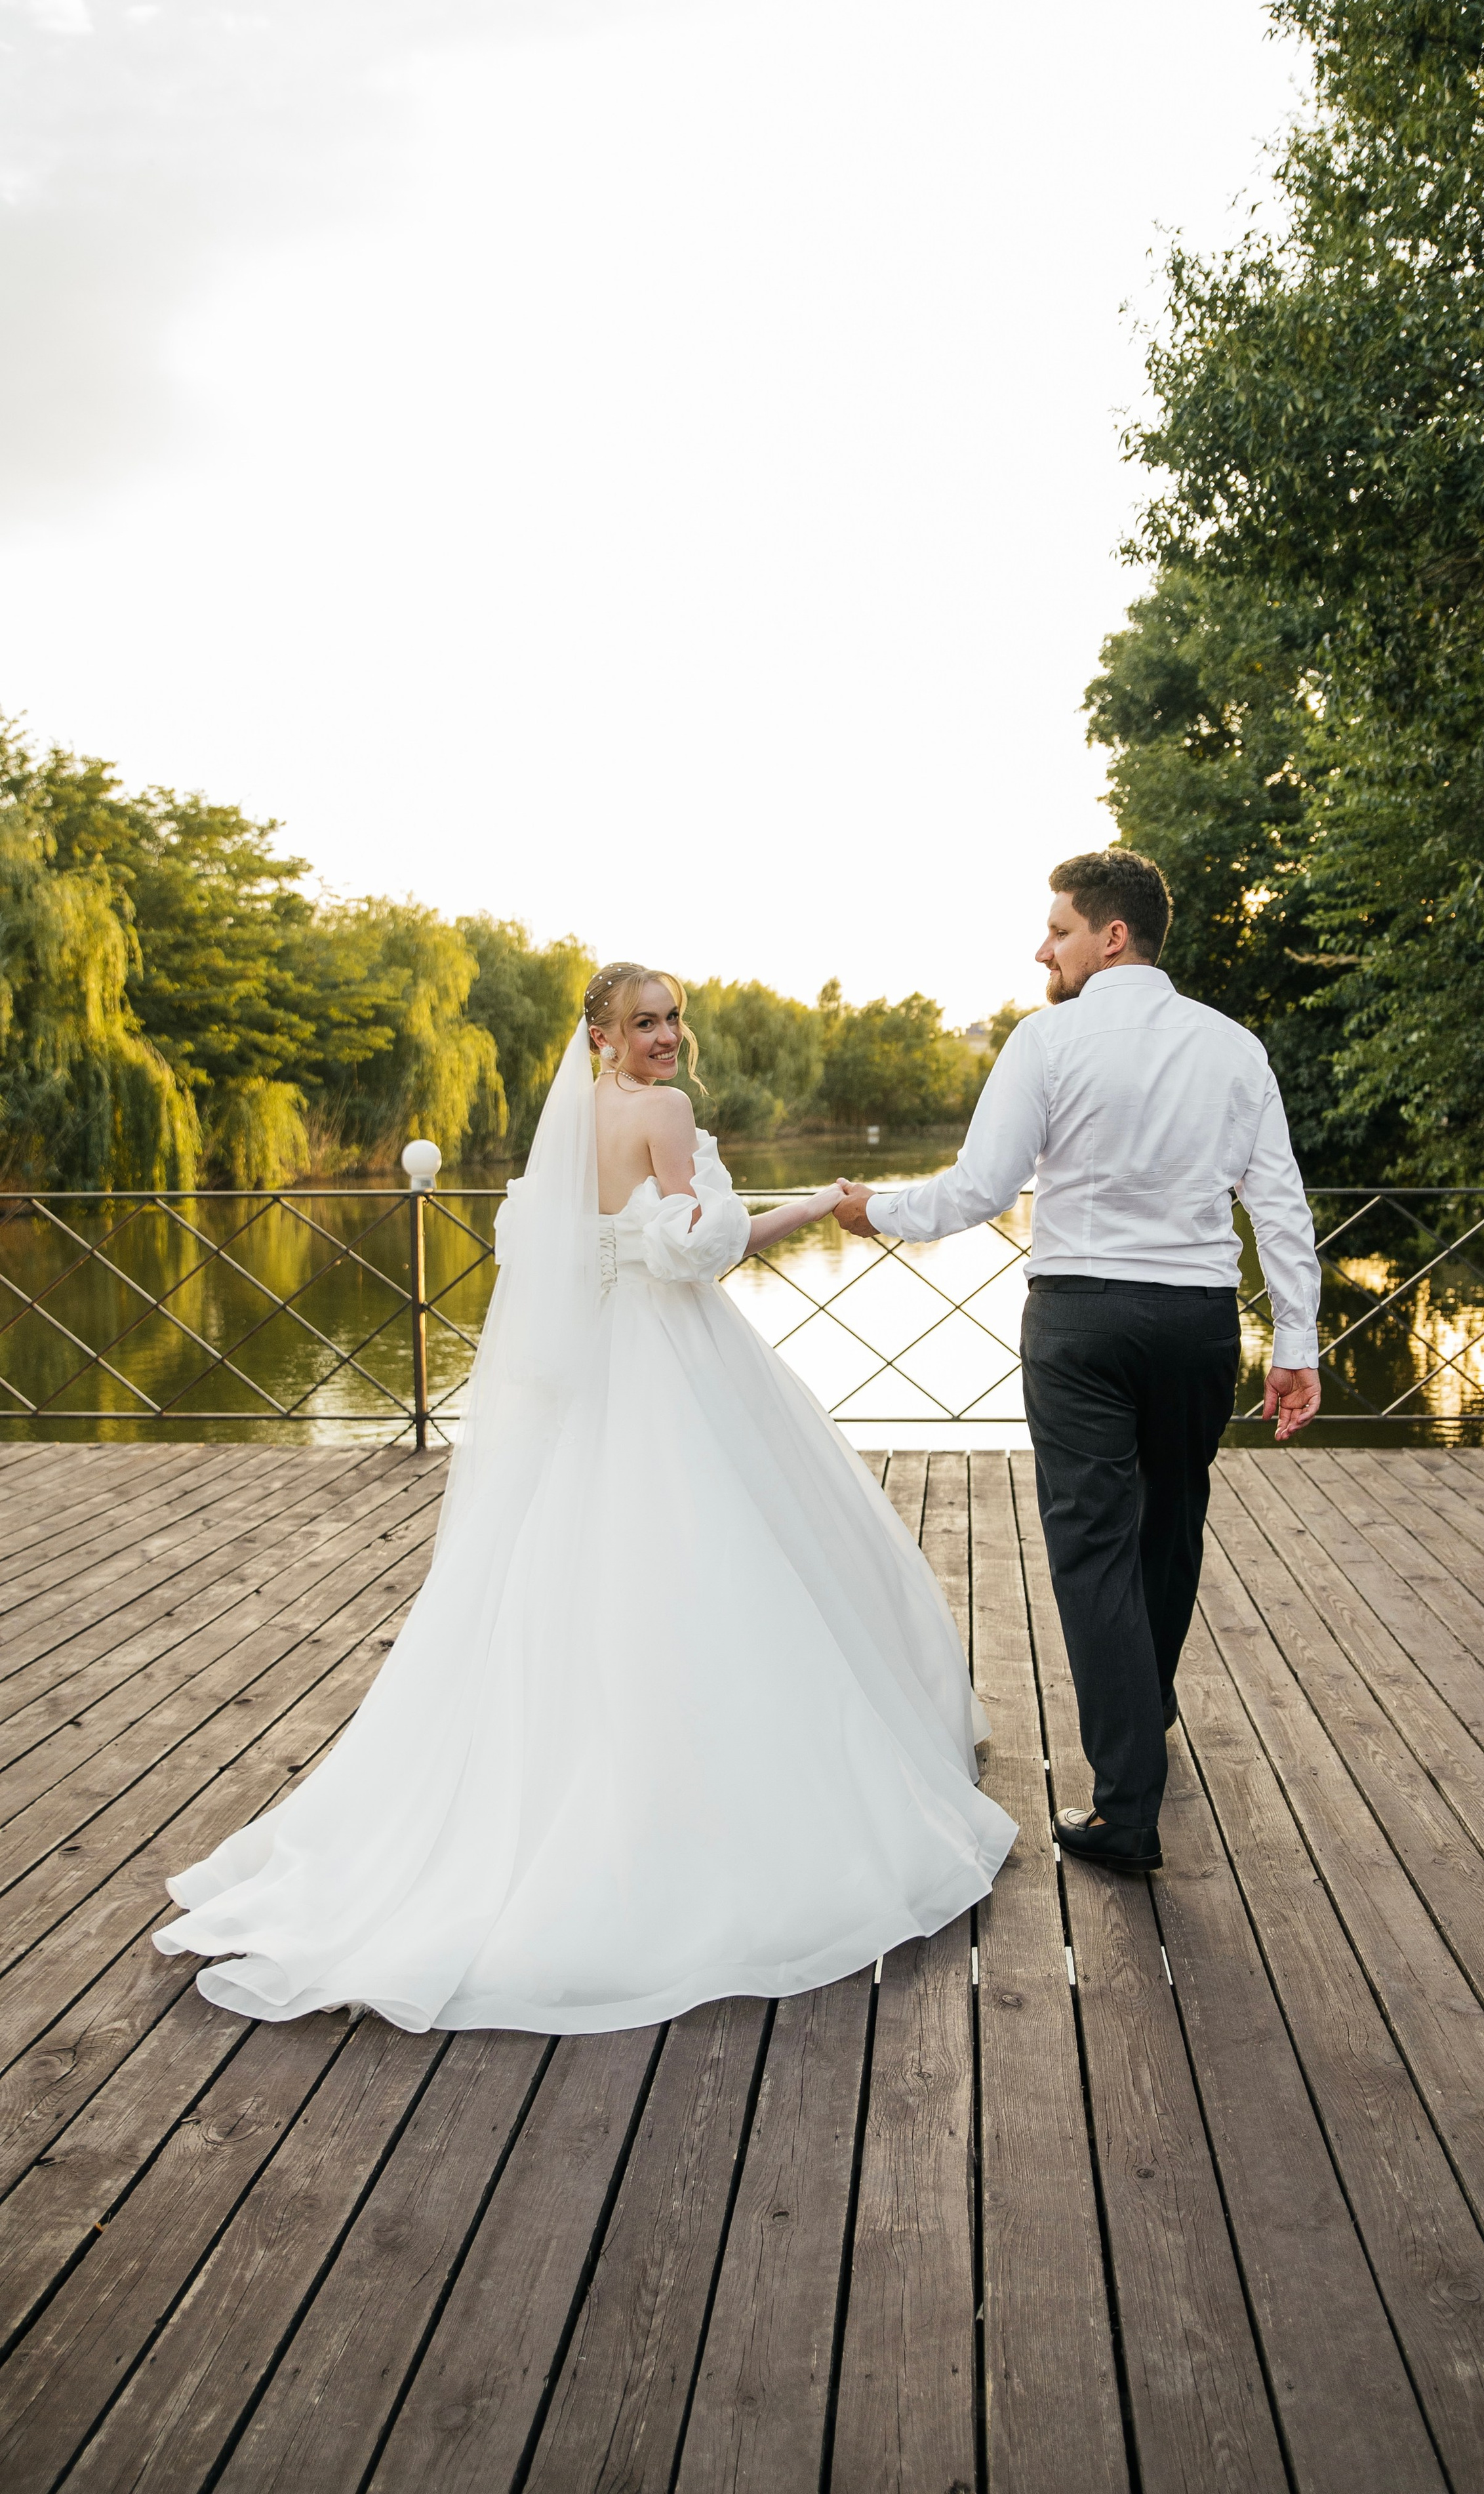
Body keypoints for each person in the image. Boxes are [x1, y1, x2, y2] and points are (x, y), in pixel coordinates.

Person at [155, 964, 1015, 2032]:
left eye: (671, 1020)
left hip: (604, 1354)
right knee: (713, 1561)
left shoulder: (577, 1121)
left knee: (576, 1566)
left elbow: (573, 1246)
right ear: (603, 1035)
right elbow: (706, 1251)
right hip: (668, 1353)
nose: (664, 1036)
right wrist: (824, 1204)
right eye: (643, 1023)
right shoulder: (666, 1110)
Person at [834, 849, 1321, 1875]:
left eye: (1056, 929)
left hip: (1082, 1324)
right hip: (1197, 1325)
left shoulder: (1047, 1041)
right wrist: (1299, 1342)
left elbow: (977, 1190)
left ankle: (1124, 1805)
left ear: (1111, 936)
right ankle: (1148, 1714)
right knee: (1172, 1526)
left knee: (1093, 1549)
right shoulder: (1234, 1048)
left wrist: (868, 1210)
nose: (1040, 948)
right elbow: (1278, 1205)